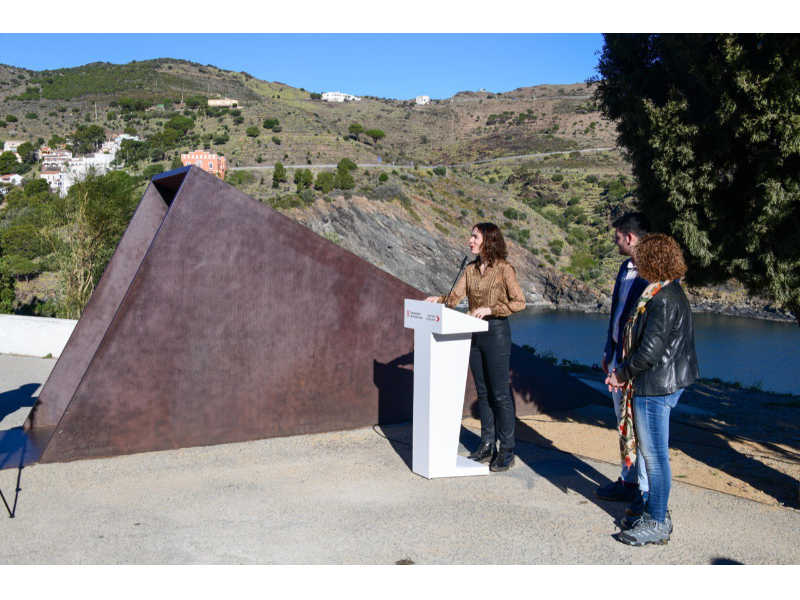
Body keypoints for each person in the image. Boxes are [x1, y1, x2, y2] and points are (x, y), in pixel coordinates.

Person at [606, 234, 700, 547]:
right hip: (662, 382)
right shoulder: (665, 291)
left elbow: (649, 352)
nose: (635, 262)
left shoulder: (663, 298)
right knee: (655, 456)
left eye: (641, 258)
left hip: (655, 387)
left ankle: (658, 521)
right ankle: (655, 513)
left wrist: (620, 375)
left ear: (653, 261)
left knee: (655, 458)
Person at [425, 223, 526, 473]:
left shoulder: (503, 269)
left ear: (488, 240)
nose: (470, 240)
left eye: (475, 236)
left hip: (497, 334)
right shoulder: (470, 269)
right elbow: (454, 298)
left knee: (500, 393)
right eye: (470, 235)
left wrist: (492, 309)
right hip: (474, 334)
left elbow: (520, 302)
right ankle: (487, 444)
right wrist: (435, 300)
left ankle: (507, 450)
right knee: (482, 392)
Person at [595, 213, 652, 514]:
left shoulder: (651, 272)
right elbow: (615, 315)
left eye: (617, 236)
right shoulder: (624, 267)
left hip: (636, 364)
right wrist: (609, 350)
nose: (614, 240)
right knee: (622, 423)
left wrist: (628, 364)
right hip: (617, 357)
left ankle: (643, 491)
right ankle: (627, 480)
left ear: (629, 237)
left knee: (640, 426)